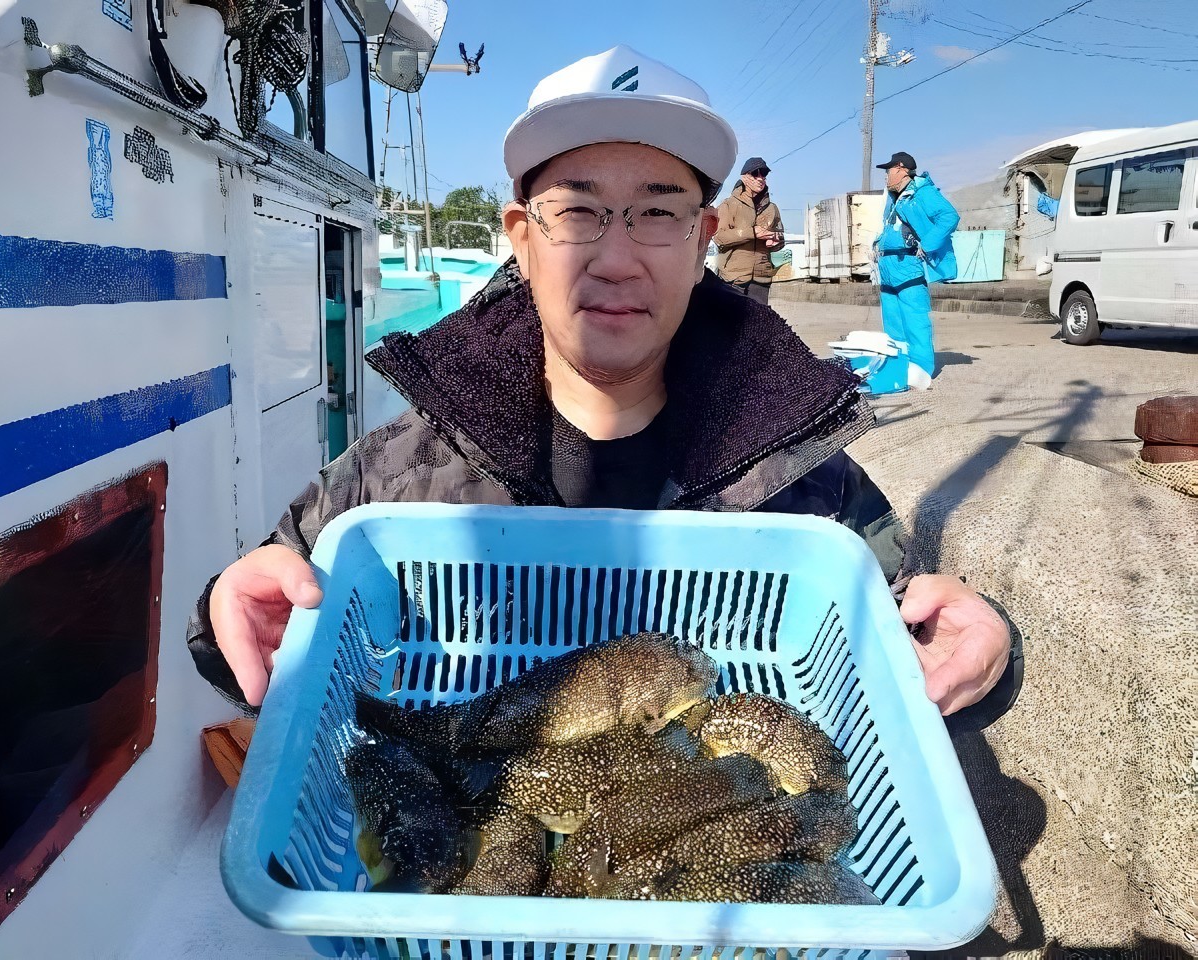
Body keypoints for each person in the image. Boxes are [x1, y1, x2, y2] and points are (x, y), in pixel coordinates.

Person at [188, 46, 1018, 729]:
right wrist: (229, 620)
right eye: (578, 212)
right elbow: (264, 611)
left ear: (703, 239)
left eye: (659, 213)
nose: (618, 259)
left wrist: (986, 654)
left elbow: (907, 636)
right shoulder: (394, 477)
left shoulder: (806, 481)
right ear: (521, 237)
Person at [873, 151, 960, 390]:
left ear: (901, 169)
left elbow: (949, 217)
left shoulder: (923, 192)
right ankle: (899, 367)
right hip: (888, 268)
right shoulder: (895, 198)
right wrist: (876, 245)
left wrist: (929, 244)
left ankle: (921, 370)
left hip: (908, 266)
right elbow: (889, 228)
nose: (886, 176)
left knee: (915, 320)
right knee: (893, 323)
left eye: (888, 170)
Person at [713, 156, 785, 304]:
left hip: (761, 278)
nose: (760, 178)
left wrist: (776, 242)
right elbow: (719, 237)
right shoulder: (728, 205)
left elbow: (781, 238)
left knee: (758, 324)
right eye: (755, 173)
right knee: (732, 324)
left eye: (764, 174)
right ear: (744, 177)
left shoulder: (772, 208)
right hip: (733, 278)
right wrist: (752, 232)